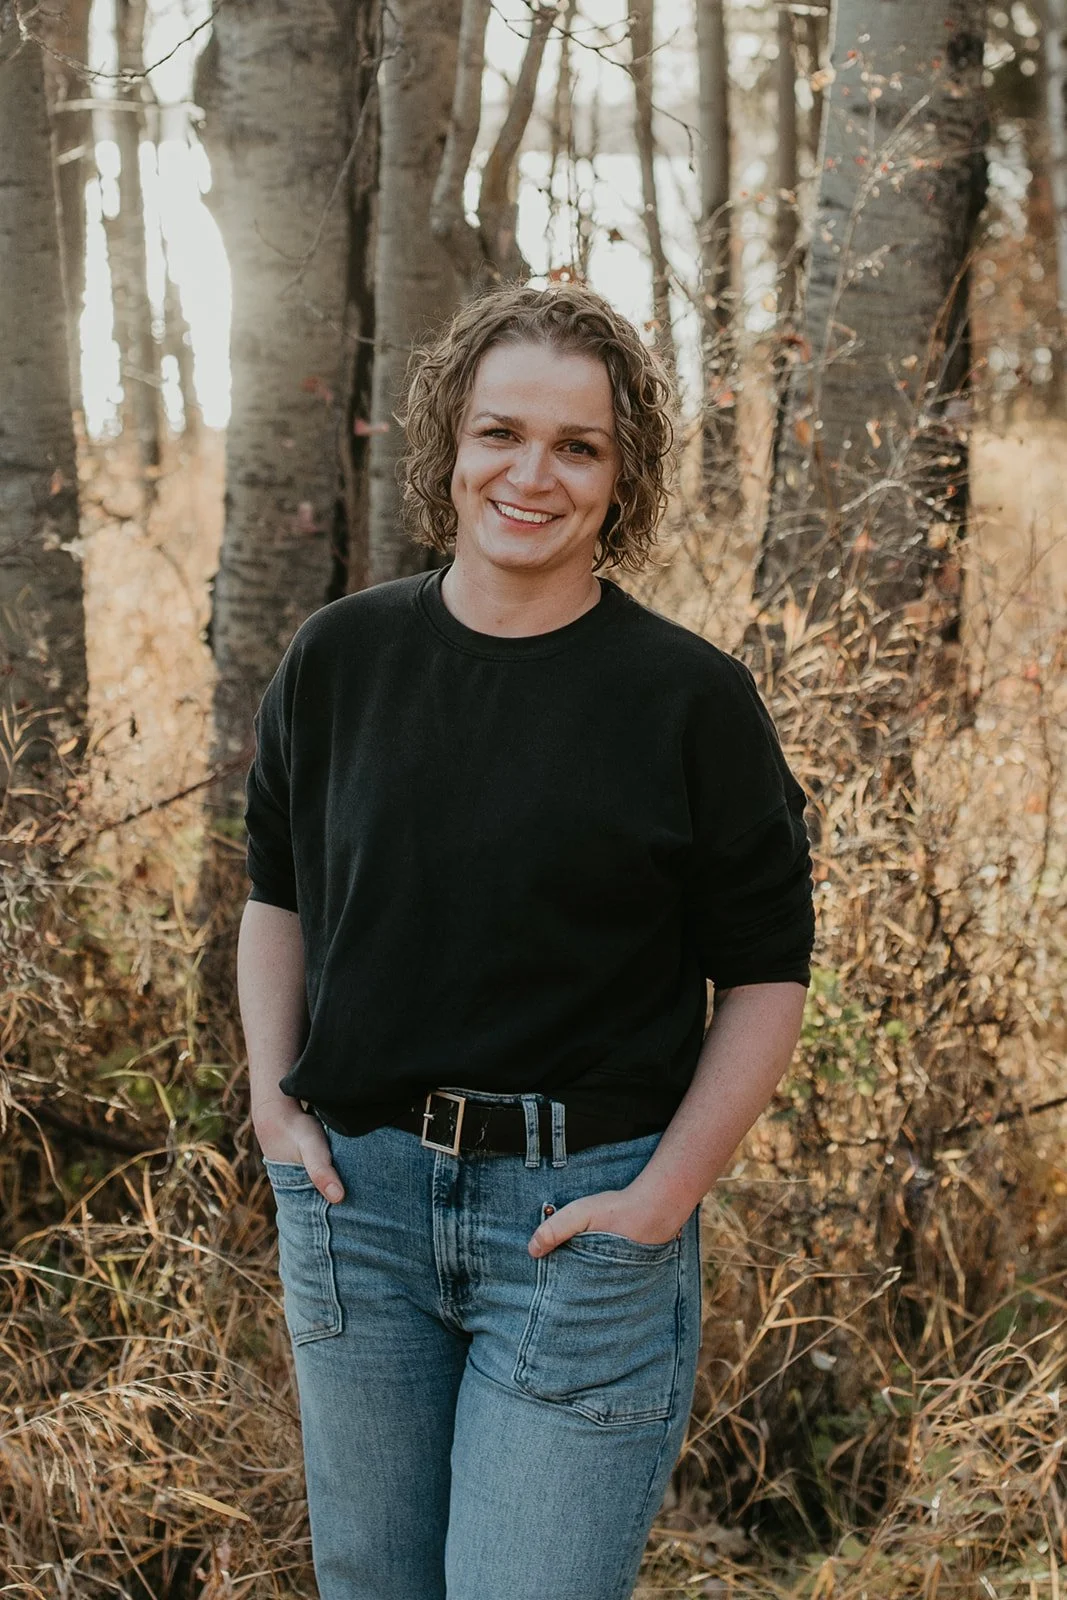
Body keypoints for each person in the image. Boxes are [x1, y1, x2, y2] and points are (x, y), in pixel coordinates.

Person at [238, 281, 816, 1600]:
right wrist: (277, 1109)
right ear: (450, 440)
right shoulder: (339, 660)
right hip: (357, 1215)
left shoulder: (689, 702)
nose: (530, 476)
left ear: (622, 478)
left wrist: (660, 1201)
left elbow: (766, 976)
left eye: (578, 447)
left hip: (582, 1226)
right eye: (501, 433)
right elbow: (276, 903)